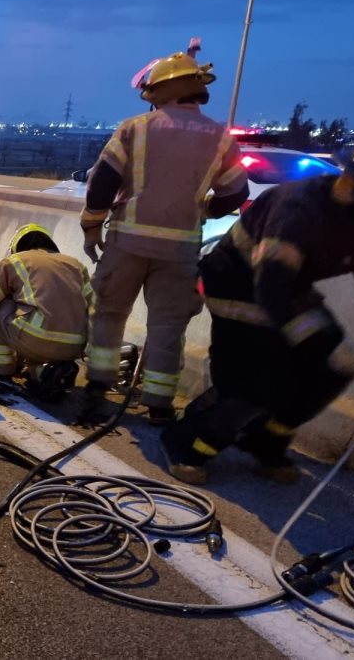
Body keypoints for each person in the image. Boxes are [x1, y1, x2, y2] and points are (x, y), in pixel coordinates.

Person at [158, 146, 354, 485]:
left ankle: (265, 442)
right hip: (236, 283)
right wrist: (297, 339)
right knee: (256, 381)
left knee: (331, 361)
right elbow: (271, 287)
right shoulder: (300, 209)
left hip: (288, 289)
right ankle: (185, 442)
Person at [79, 52, 250, 424]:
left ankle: (96, 390)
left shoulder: (135, 128)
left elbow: (103, 183)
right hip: (180, 249)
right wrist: (206, 210)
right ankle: (158, 405)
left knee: (109, 314)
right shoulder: (220, 138)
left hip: (127, 243)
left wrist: (92, 226)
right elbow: (236, 194)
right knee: (168, 326)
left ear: (163, 90)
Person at [0, 224, 93, 401]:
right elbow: (94, 310)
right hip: (74, 346)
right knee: (36, 311)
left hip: (35, 338)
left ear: (16, 246)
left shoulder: (14, 261)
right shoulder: (76, 265)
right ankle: (44, 374)